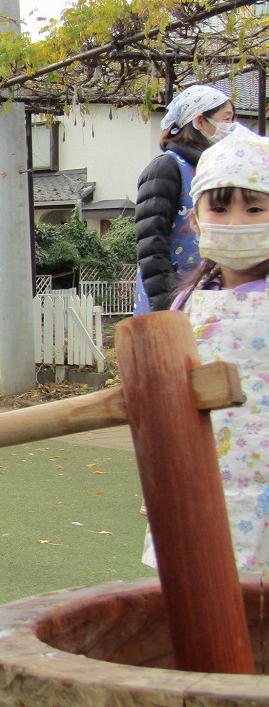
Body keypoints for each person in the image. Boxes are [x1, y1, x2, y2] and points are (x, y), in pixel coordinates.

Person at [142, 123, 269, 571]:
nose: (236, 223)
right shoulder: (186, 303)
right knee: (204, 595)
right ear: (194, 220)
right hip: (202, 482)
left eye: (255, 209)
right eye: (219, 209)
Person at [134, 84, 236, 314]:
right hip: (174, 296)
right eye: (226, 119)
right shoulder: (167, 167)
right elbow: (152, 243)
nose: (232, 127)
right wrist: (165, 307)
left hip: (210, 296)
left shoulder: (215, 171)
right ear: (200, 121)